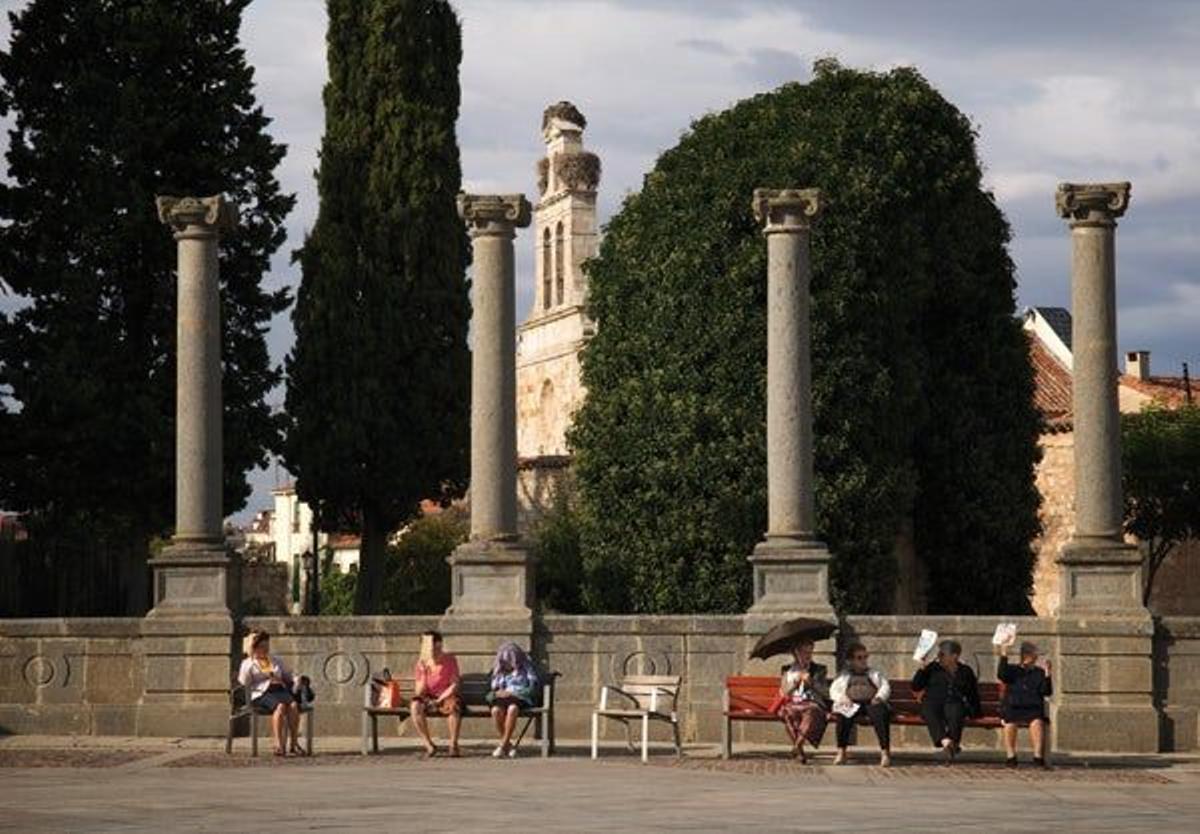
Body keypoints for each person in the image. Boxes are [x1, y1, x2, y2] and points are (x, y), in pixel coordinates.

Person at [912, 639, 980, 763]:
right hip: (933, 702)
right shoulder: (932, 668)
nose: (938, 657)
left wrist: (975, 711)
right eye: (938, 654)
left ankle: (948, 746)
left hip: (954, 702)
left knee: (956, 711)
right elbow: (916, 686)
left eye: (942, 654)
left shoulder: (965, 671)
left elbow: (973, 693)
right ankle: (947, 742)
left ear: (954, 656)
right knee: (928, 710)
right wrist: (921, 668)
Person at [237, 630, 303, 757]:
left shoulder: (275, 659)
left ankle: (294, 743)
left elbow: (288, 674)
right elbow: (243, 682)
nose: (265, 649)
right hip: (261, 693)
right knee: (280, 707)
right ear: (255, 648)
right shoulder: (248, 663)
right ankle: (278, 744)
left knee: (294, 705)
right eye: (262, 646)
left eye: (267, 646)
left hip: (279, 690)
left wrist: (296, 679)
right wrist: (250, 660)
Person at [829, 641, 891, 767]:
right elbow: (833, 690)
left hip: (871, 702)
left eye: (865, 657)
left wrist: (879, 697)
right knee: (842, 715)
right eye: (859, 658)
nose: (863, 660)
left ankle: (885, 752)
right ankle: (841, 751)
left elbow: (885, 686)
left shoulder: (873, 673)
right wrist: (843, 698)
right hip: (852, 703)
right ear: (850, 660)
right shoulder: (844, 675)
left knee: (880, 714)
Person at [996, 640, 1053, 768]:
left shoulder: (1039, 672)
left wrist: (1048, 675)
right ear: (1024, 656)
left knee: (1037, 723)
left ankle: (1038, 756)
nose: (1034, 657)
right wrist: (1004, 653)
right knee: (1010, 723)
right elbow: (1001, 674)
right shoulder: (1013, 670)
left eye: (1034, 655)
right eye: (1031, 654)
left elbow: (1046, 691)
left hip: (1032, 707)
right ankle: (1011, 756)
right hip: (1014, 706)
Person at [777, 638, 829, 763]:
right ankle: (799, 750)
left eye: (810, 652)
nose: (807, 656)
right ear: (795, 653)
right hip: (793, 703)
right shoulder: (787, 670)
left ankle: (797, 746)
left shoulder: (819, 669)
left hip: (812, 703)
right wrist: (794, 684)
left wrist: (812, 683)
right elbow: (783, 692)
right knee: (787, 713)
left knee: (811, 711)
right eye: (804, 652)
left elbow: (825, 693)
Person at [411, 630, 462, 758]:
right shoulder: (421, 663)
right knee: (415, 706)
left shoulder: (450, 660)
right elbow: (419, 692)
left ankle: (453, 744)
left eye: (428, 643)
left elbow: (454, 685)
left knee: (454, 706)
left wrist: (439, 700)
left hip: (446, 695)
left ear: (438, 644)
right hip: (428, 696)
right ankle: (428, 744)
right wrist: (423, 673)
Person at [487, 642, 541, 759]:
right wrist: (497, 692)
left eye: (510, 660)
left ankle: (503, 745)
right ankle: (508, 745)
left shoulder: (526, 669)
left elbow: (532, 688)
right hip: (502, 698)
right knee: (495, 710)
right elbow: (492, 690)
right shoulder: (498, 670)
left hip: (520, 698)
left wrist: (513, 693)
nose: (508, 663)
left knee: (513, 708)